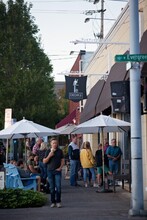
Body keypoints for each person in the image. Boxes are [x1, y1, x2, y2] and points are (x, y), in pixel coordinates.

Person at [43, 138, 64, 208]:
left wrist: (60, 168)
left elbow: (62, 160)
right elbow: (44, 161)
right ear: (51, 144)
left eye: (56, 143)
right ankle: (53, 202)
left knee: (58, 187)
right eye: (53, 143)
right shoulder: (48, 151)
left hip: (57, 171)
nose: (55, 144)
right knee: (52, 187)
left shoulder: (60, 151)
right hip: (50, 171)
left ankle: (58, 201)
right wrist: (49, 155)